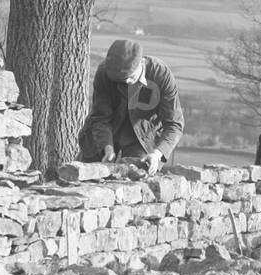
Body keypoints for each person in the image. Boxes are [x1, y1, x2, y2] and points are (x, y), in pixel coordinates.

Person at [76, 39, 184, 174]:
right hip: (103, 135)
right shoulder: (104, 72)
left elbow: (174, 125)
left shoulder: (161, 75)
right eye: (120, 80)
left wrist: (157, 154)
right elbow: (100, 117)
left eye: (130, 77)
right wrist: (107, 147)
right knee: (83, 176)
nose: (126, 81)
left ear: (141, 64)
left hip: (142, 138)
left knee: (136, 179)